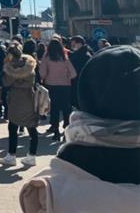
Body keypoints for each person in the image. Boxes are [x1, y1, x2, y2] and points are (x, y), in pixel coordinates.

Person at [19, 45, 140, 212]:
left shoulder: (48, 191)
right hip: (63, 88)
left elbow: (43, 74)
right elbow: (72, 73)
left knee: (54, 113)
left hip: (54, 90)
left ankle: (54, 128)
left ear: (85, 95)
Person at [0, 44, 39, 167]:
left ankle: (11, 156)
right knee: (31, 127)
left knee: (13, 127)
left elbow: (6, 83)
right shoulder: (29, 65)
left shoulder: (11, 68)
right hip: (29, 97)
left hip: (16, 99)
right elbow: (34, 80)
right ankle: (31, 156)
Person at [39, 38, 76, 140]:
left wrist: (47, 78)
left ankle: (55, 131)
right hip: (65, 86)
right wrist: (66, 77)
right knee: (66, 108)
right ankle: (66, 128)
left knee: (54, 108)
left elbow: (42, 73)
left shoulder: (46, 57)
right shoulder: (64, 57)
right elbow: (73, 73)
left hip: (51, 86)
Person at [68, 35, 91, 109]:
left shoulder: (85, 56)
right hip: (74, 82)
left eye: (73, 44)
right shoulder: (77, 54)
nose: (72, 46)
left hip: (80, 83)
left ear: (80, 44)